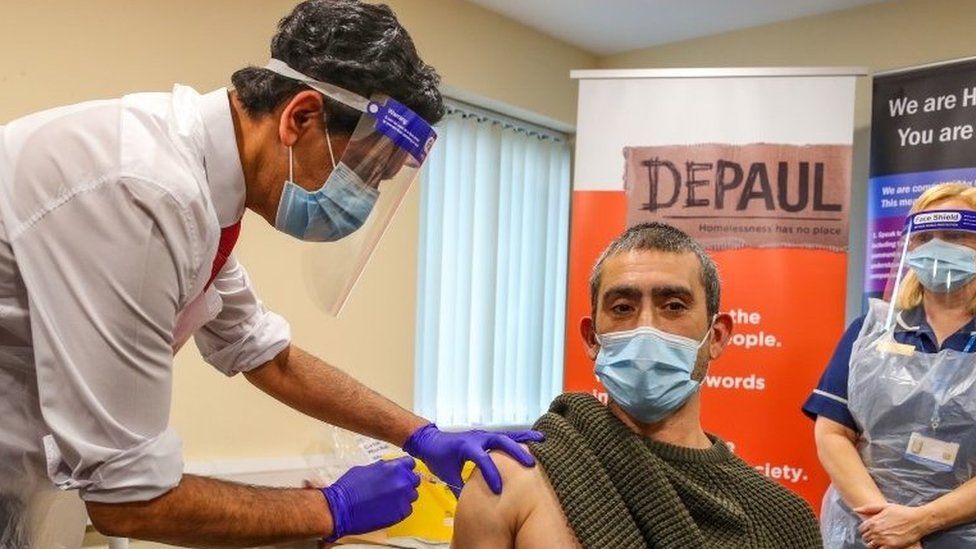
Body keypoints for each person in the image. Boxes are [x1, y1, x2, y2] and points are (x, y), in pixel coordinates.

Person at [0, 1, 542, 547]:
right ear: (300, 117)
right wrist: (331, 509)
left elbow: (263, 353)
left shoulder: (199, 192)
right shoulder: (146, 191)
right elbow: (131, 501)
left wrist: (421, 435)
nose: (364, 198)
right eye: (366, 171)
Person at [453, 222, 822, 548]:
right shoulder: (508, 482)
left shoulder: (782, 520)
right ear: (591, 338)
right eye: (623, 307)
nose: (646, 327)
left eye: (674, 305)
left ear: (717, 336)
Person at [804, 182, 976, 548]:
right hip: (867, 532)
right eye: (925, 236)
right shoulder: (872, 332)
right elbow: (833, 434)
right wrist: (886, 524)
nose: (937, 247)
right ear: (909, 246)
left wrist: (918, 523)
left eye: (954, 235)